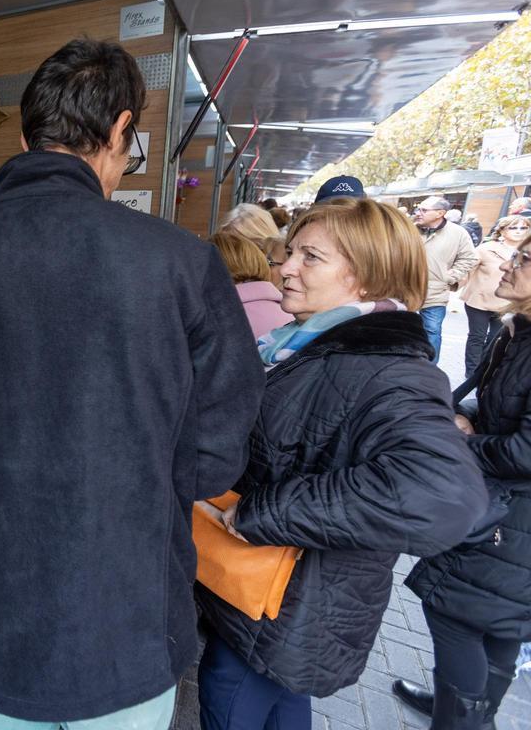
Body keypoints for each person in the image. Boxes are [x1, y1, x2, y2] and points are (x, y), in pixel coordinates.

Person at [0, 39, 264, 729]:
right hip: (128, 630)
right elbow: (212, 461)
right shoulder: (182, 263)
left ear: (26, 139)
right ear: (120, 130)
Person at [196, 199, 489, 730]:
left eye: (310, 257)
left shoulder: (388, 371)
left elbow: (446, 494)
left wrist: (261, 512)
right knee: (279, 706)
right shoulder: (306, 346)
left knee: (232, 696)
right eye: (291, 253)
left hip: (287, 608)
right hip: (275, 613)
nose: (285, 267)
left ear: (367, 278)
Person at [396, 231, 531, 730]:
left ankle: (462, 717)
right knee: (499, 622)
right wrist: (467, 413)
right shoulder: (516, 332)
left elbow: (525, 450)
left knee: (456, 612)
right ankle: (468, 709)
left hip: (511, 513)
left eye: (524, 259)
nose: (507, 265)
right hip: (506, 507)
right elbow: (499, 406)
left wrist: (462, 440)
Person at [413, 196, 480, 363]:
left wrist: (450, 277)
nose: (418, 213)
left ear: (440, 213)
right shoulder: (408, 228)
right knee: (398, 329)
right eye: (418, 209)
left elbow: (469, 258)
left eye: (424, 210)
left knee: (432, 332)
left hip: (435, 294)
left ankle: (429, 370)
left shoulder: (458, 233)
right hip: (402, 289)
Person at [460, 216, 528, 377]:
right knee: (477, 337)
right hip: (479, 300)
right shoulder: (486, 248)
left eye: (523, 228)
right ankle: (471, 374)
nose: (519, 231)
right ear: (502, 230)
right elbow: (467, 268)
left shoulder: (527, 250)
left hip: (506, 304)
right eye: (513, 227)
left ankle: (484, 372)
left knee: (494, 339)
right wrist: (453, 282)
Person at [211, 232, 292, 338]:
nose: (264, 265)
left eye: (269, 262)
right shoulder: (292, 316)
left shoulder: (215, 318)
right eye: (262, 258)